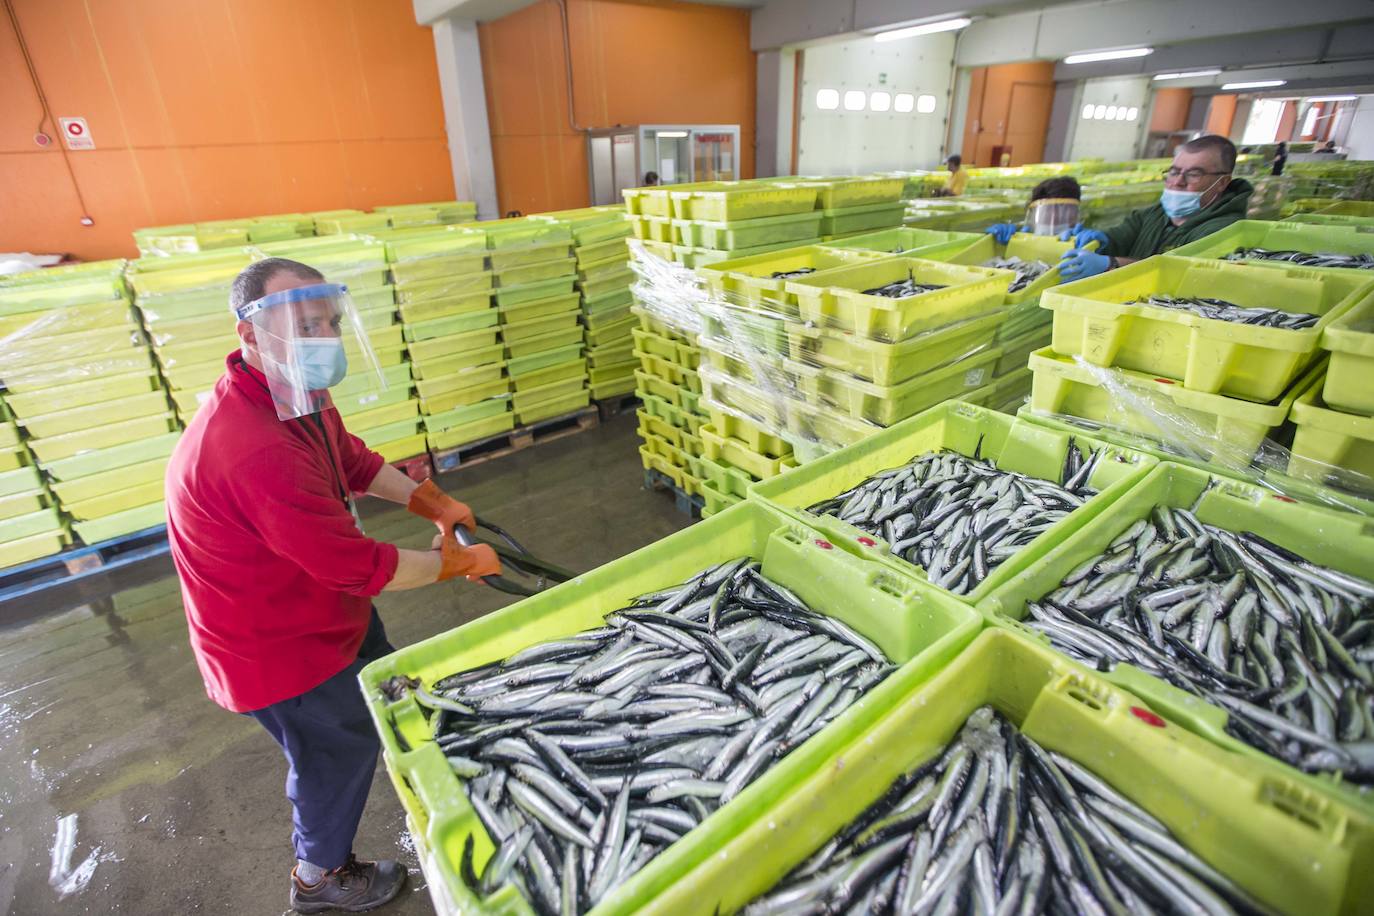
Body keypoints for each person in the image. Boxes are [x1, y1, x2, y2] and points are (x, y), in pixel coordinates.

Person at [165, 258, 501, 913]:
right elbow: (358, 565)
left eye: (328, 322)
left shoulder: (294, 389)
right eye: (302, 324)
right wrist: (454, 565)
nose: (321, 337)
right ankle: (317, 880)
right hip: (275, 645)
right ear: (251, 334)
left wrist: (428, 502)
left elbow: (350, 461)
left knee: (370, 710)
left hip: (319, 606)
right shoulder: (251, 447)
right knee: (332, 753)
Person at [1058, 134, 1253, 280]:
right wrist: (1101, 240)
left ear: (1221, 182)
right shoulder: (1155, 213)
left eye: (1193, 174)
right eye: (1174, 172)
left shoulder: (1226, 231)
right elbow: (1123, 235)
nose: (1177, 182)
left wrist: (1113, 263)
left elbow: (1181, 273)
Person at [985, 176, 1083, 244]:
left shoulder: (1084, 242)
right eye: (1048, 211)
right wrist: (994, 239)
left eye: (1064, 212)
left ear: (1077, 214)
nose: (1054, 216)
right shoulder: (1019, 238)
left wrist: (1097, 250)